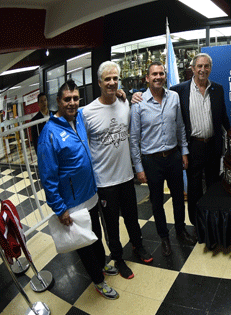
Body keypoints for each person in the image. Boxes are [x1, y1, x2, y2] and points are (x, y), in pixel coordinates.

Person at [132, 53, 230, 242]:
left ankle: (211, 225)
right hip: (193, 147)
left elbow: (223, 118)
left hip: (212, 147)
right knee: (193, 190)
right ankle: (195, 225)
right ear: (192, 68)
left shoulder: (218, 89)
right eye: (199, 66)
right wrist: (131, 95)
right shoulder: (179, 91)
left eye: (206, 66)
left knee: (213, 187)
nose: (202, 70)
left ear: (210, 68)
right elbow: (139, 131)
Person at [37, 80, 119, 300]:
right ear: (58, 101)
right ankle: (98, 281)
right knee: (84, 245)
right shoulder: (49, 134)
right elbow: (48, 177)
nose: (72, 103)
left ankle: (101, 266)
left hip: (90, 195)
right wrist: (60, 209)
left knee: (96, 237)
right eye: (67, 99)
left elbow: (97, 104)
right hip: (72, 204)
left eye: (75, 98)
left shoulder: (79, 118)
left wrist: (116, 93)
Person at [82, 61, 153, 279]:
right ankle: (118, 258)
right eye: (107, 79)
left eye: (115, 78)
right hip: (104, 182)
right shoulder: (87, 113)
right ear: (99, 83)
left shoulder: (124, 103)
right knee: (111, 225)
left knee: (132, 217)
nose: (112, 83)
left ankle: (137, 246)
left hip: (126, 176)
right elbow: (83, 146)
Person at [129, 61, 193, 257]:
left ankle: (181, 231)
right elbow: (133, 139)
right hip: (151, 160)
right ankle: (164, 237)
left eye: (161, 74)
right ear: (147, 78)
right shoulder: (138, 103)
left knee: (178, 198)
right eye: (154, 74)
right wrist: (139, 168)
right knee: (156, 202)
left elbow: (180, 127)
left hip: (173, 156)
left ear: (165, 76)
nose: (158, 77)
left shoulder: (173, 97)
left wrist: (184, 152)